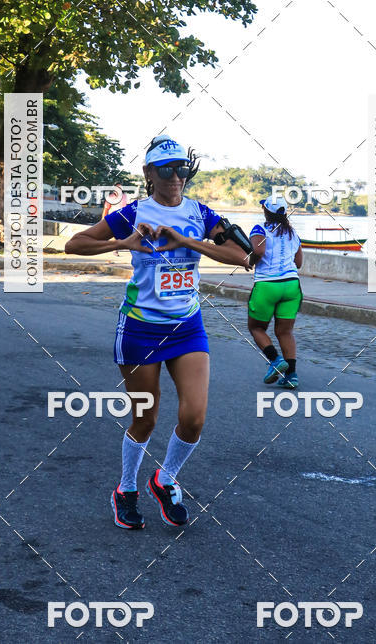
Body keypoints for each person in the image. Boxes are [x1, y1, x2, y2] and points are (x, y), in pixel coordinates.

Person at [64, 135, 250, 530]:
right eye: (166, 170)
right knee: (145, 418)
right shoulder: (133, 213)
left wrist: (186, 241)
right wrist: (124, 242)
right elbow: (74, 244)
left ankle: (164, 480)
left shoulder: (201, 214)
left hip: (187, 326)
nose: (175, 177)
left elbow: (242, 256)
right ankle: (126, 489)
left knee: (194, 417)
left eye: (182, 168)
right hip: (140, 329)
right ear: (149, 173)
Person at [247, 194, 303, 389]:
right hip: (292, 286)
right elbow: (299, 263)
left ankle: (275, 360)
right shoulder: (292, 233)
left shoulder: (259, 229)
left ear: (265, 210)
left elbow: (258, 251)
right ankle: (292, 376)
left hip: (267, 285)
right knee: (285, 331)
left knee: (256, 328)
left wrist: (250, 262)